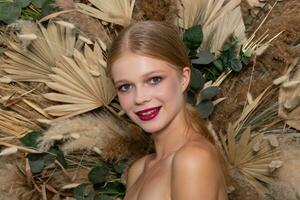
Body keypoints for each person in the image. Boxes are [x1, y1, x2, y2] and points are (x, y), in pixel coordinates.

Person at [106, 21, 228, 200]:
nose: (140, 98)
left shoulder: (193, 160)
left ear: (183, 79)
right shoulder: (138, 170)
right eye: (125, 87)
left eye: (154, 80)